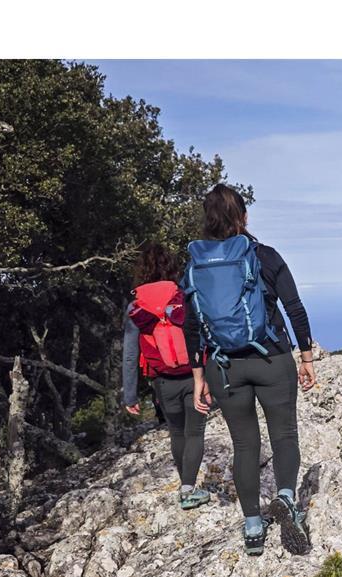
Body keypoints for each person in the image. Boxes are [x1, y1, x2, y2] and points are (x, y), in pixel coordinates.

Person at [182, 184, 316, 556]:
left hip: (224, 367)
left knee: (244, 444)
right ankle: (286, 498)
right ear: (244, 216)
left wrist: (198, 377)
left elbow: (191, 325)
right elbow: (294, 308)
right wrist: (306, 357)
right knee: (284, 434)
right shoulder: (264, 256)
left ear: (207, 221)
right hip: (271, 359)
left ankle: (253, 527)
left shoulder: (195, 265)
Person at [122, 242, 210, 510]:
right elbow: (205, 335)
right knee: (195, 432)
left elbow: (130, 354)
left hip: (163, 382)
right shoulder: (184, 295)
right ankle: (188, 490)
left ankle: (186, 487)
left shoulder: (136, 306)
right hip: (194, 375)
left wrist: (130, 395)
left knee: (177, 432)